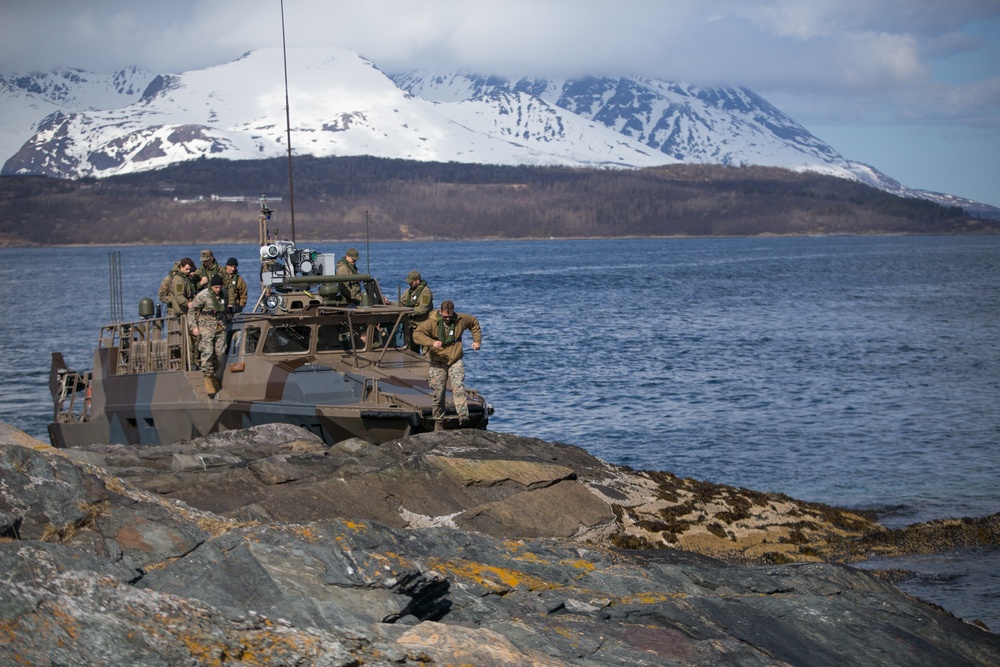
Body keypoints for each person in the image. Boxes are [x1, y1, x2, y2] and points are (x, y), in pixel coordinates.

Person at [413, 300, 482, 430]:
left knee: (458, 386)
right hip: (438, 361)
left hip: (455, 359)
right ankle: (438, 421)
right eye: (445, 317)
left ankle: (463, 416)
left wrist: (476, 341)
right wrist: (431, 342)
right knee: (438, 393)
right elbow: (417, 334)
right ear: (441, 312)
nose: (448, 319)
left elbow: (474, 323)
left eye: (450, 317)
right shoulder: (432, 323)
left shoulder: (460, 319)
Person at [189, 274, 229, 397]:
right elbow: (192, 311)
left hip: (220, 326)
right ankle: (208, 378)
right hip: (206, 327)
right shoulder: (203, 296)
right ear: (211, 287)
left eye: (219, 287)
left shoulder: (224, 294)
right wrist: (194, 327)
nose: (217, 289)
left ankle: (213, 375)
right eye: (215, 287)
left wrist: (226, 315)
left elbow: (223, 307)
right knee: (208, 352)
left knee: (220, 353)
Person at [399, 270, 433, 352]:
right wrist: (388, 303)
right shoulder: (409, 292)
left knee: (426, 352)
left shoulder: (426, 292)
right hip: (412, 327)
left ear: (417, 281)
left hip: (423, 327)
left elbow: (422, 309)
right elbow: (401, 304)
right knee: (412, 350)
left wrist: (409, 311)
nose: (409, 284)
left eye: (411, 282)